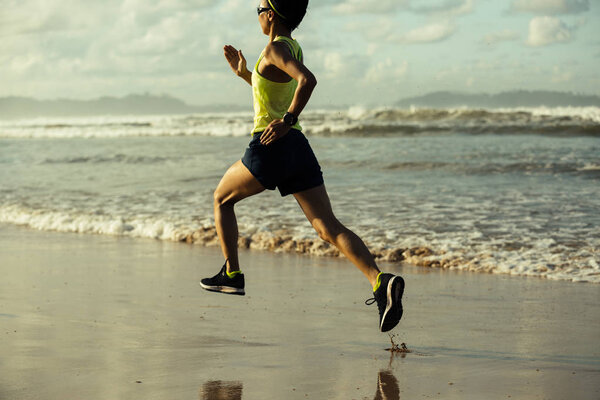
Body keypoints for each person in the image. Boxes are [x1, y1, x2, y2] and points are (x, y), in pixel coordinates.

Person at [199, 0, 405, 332]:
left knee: (221, 198)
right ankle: (380, 281)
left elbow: (307, 81)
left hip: (271, 145)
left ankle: (232, 274)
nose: (258, 16)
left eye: (259, 9)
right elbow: (274, 96)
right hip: (297, 147)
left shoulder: (275, 49)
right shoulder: (291, 47)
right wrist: (245, 75)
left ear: (270, 14)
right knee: (327, 228)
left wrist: (287, 120)